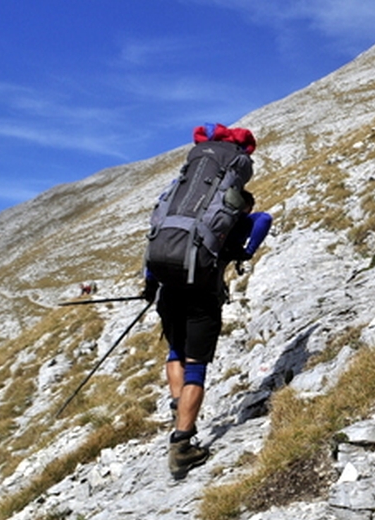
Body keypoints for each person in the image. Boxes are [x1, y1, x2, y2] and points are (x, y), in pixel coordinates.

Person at [142, 127, 270, 480]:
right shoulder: (233, 222)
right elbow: (263, 220)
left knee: (175, 352)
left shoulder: (179, 204)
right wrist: (243, 247)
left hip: (167, 283)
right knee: (196, 366)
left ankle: (176, 404)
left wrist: (149, 285)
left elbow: (154, 237)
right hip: (203, 292)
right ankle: (182, 446)